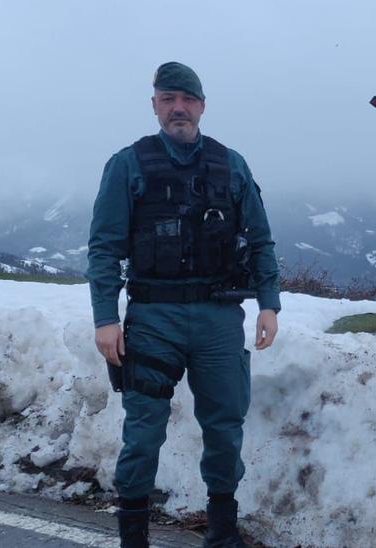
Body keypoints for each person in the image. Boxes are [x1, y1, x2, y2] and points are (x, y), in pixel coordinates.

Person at [87, 61, 280, 548]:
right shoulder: (128, 164)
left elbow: (260, 240)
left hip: (219, 318)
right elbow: (105, 248)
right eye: (168, 98)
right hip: (154, 318)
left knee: (224, 427)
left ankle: (222, 534)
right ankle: (134, 537)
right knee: (144, 433)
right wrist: (106, 318)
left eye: (188, 99)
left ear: (202, 106)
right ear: (154, 104)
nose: (179, 108)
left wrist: (269, 303)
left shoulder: (231, 164)